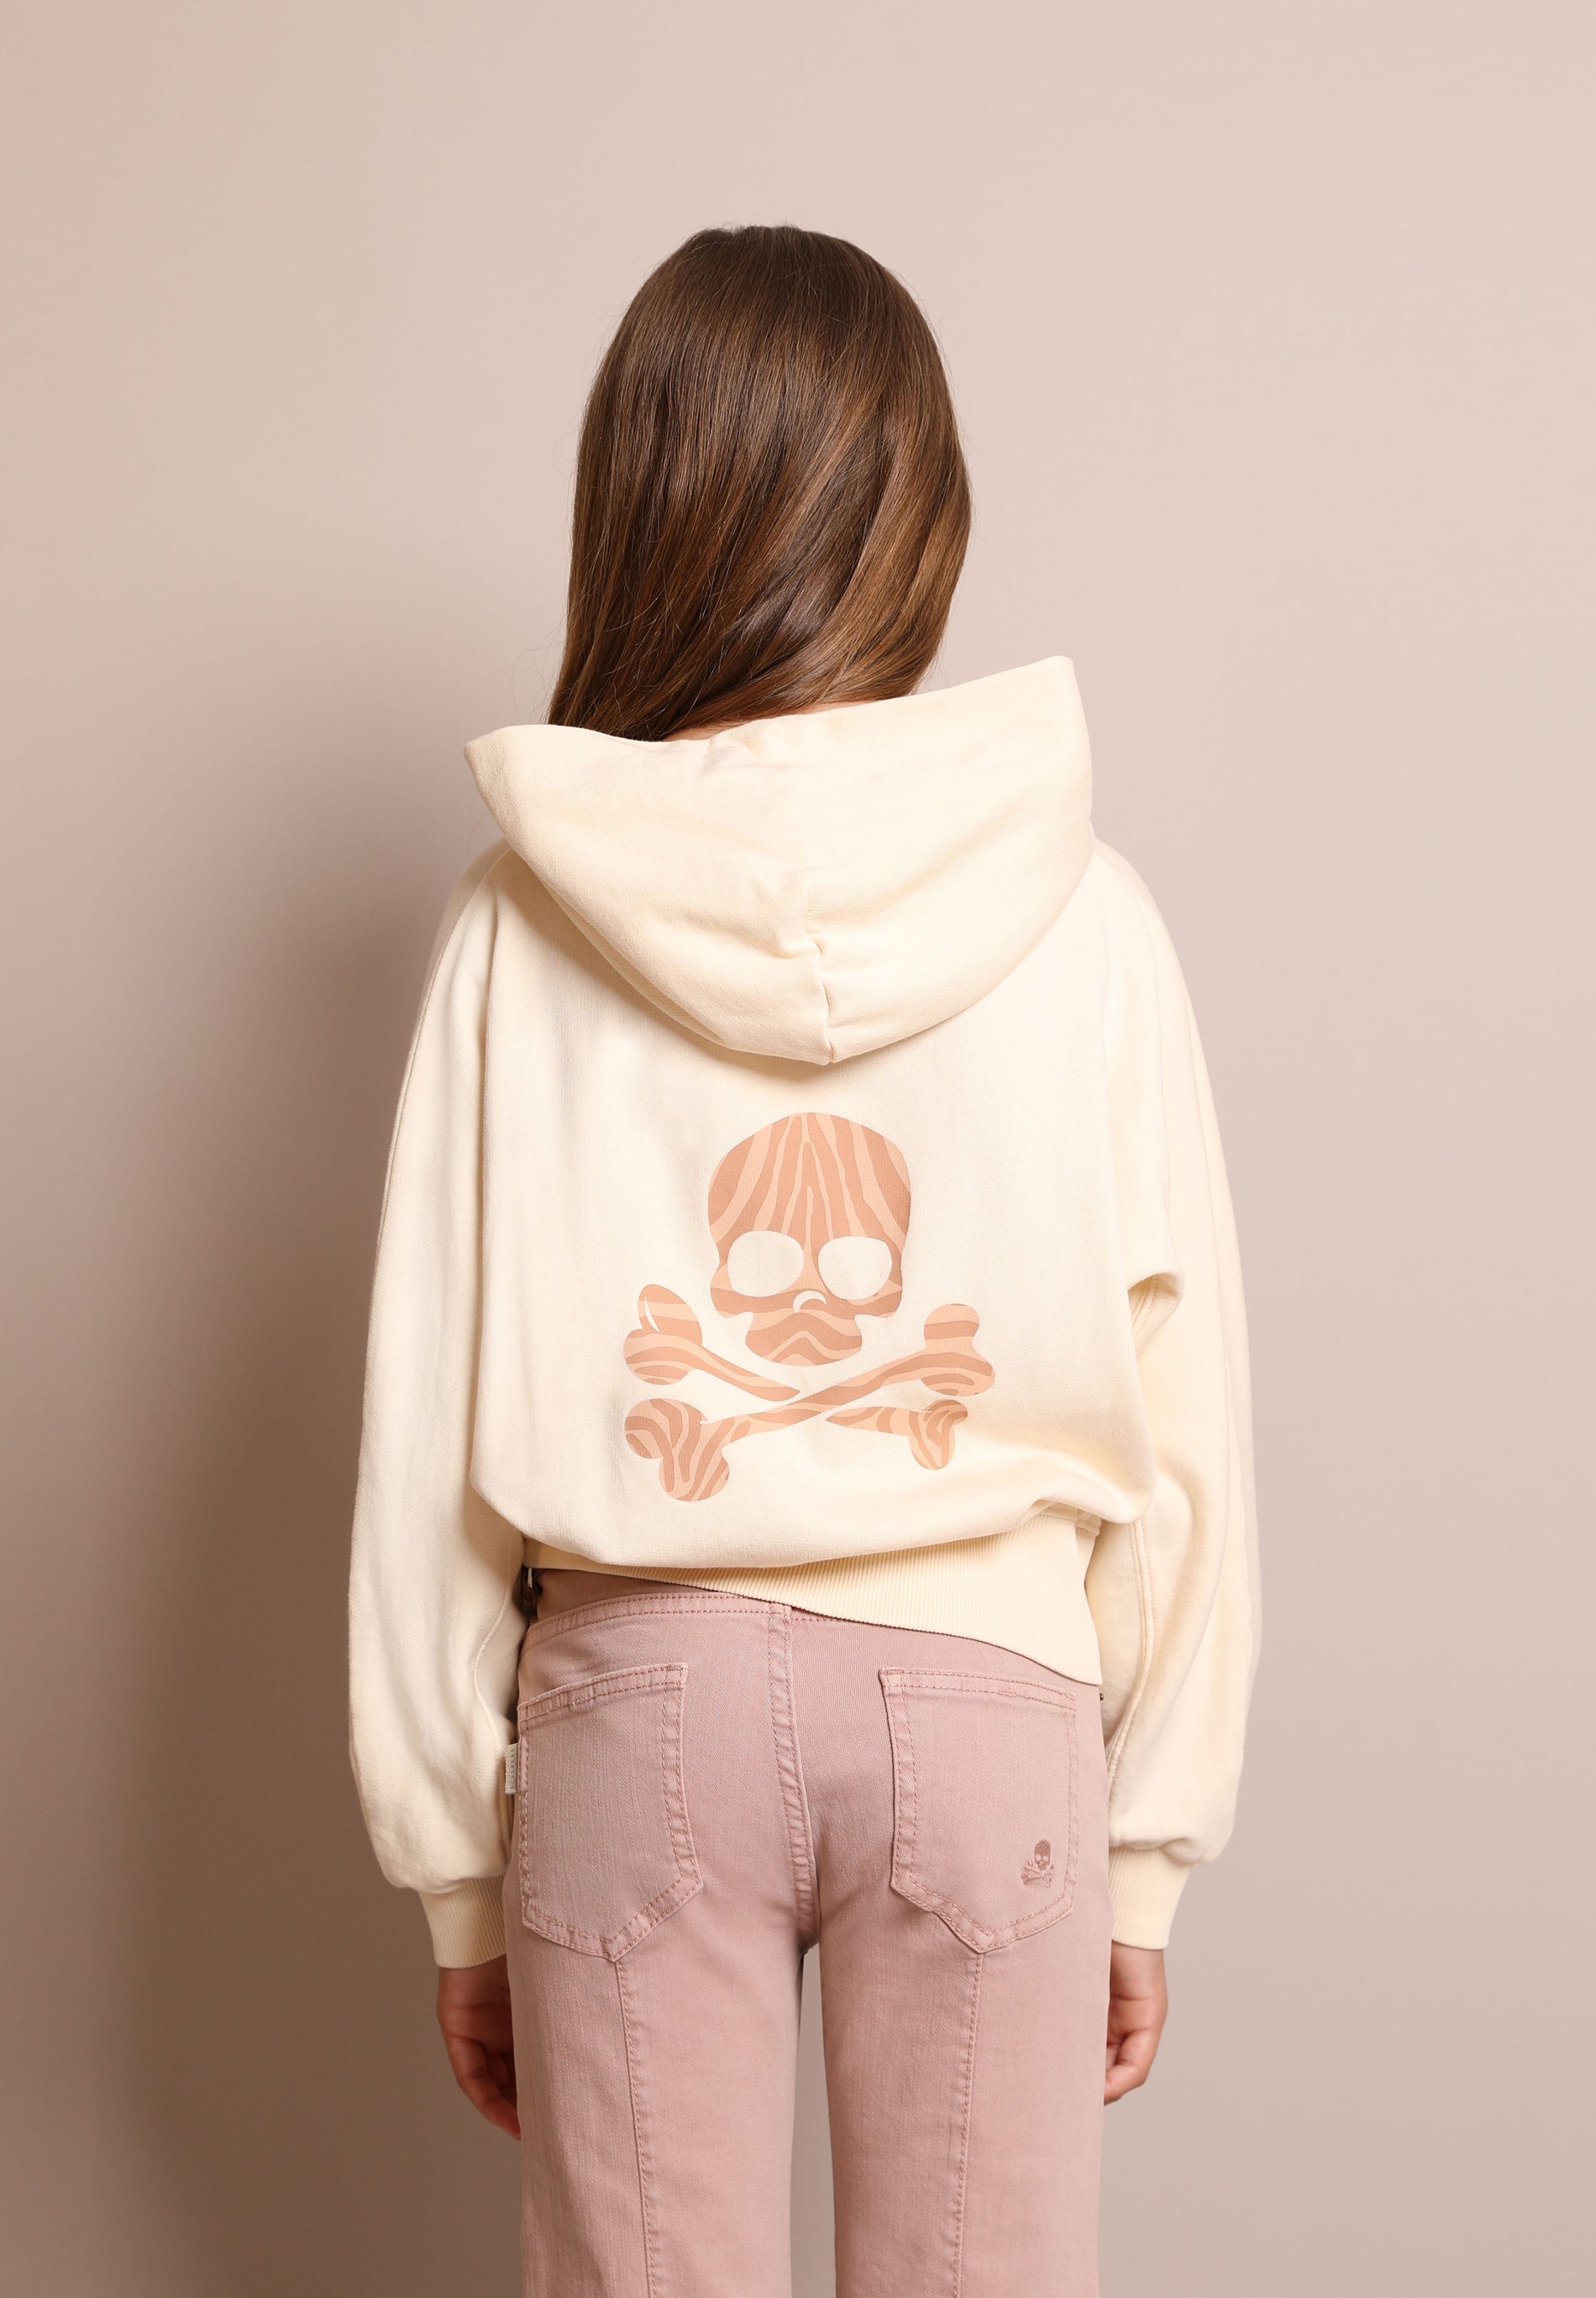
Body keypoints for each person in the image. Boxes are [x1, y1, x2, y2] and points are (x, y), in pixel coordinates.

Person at [348, 222, 1259, 2297]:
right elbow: (1183, 1405)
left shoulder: (516, 922)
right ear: (919, 523)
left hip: (635, 1704)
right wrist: (1140, 1849)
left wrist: (456, 1875)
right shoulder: (1089, 917)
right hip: (988, 1707)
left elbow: (426, 1416)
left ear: (640, 508)